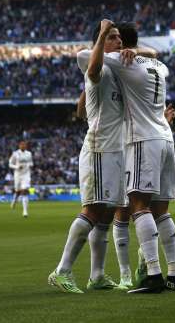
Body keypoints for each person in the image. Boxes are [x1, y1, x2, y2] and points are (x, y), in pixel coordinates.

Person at [98, 21, 175, 293]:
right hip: (166, 137)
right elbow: (156, 55)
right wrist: (143, 52)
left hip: (142, 139)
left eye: (118, 40)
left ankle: (153, 275)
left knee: (138, 205)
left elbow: (85, 57)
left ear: (123, 42)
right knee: (162, 210)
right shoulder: (160, 67)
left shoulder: (123, 62)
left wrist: (106, 41)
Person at [48, 20, 125, 294]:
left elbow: (80, 109)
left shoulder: (117, 72)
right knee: (93, 209)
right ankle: (62, 270)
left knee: (105, 215)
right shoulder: (98, 66)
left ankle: (98, 275)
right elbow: (91, 71)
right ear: (101, 42)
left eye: (120, 38)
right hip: (99, 147)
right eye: (113, 38)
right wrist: (103, 32)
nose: (119, 41)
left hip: (116, 149)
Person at [8, 141, 33, 218]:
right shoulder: (15, 154)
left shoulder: (29, 153)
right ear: (19, 146)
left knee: (24, 190)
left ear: (26, 146)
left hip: (26, 174)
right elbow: (10, 164)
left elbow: (31, 163)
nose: (23, 146)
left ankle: (25, 211)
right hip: (18, 175)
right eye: (21, 145)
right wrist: (17, 167)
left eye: (24, 145)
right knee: (17, 191)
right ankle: (14, 200)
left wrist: (29, 165)